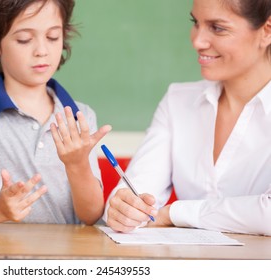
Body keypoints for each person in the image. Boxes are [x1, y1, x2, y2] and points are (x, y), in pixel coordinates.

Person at [0, 0, 111, 226]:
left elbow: (91, 215)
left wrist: (77, 165)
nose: (42, 51)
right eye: (24, 39)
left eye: (53, 37)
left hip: (62, 259)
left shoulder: (80, 116)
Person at [104, 0, 271, 236]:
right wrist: (125, 209)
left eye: (217, 28)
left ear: (266, 31)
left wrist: (174, 213)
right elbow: (137, 192)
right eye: (196, 23)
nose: (197, 41)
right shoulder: (178, 101)